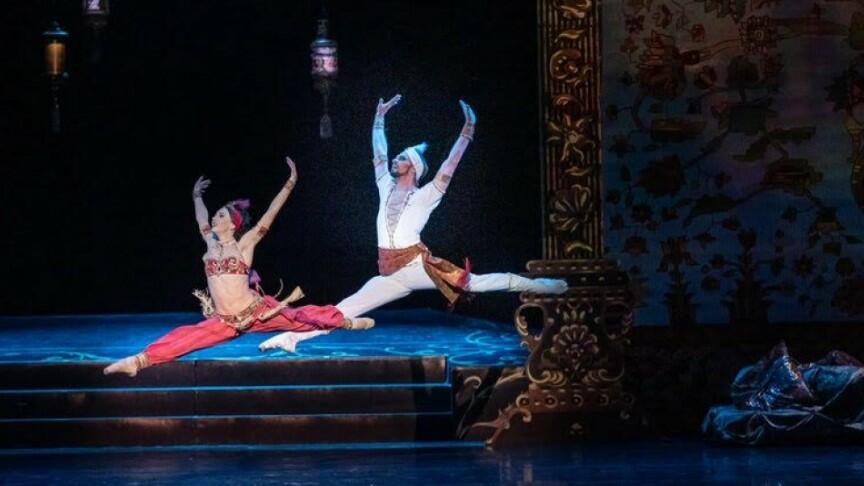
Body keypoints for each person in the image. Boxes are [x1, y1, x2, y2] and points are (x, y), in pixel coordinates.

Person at [259, 96, 567, 352]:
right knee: (344, 309)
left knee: (475, 283)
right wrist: (379, 119)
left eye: (402, 158)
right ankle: (293, 339)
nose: (395, 160)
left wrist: (467, 132)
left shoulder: (426, 195)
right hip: (389, 275)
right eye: (397, 157)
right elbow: (379, 152)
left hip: (417, 267)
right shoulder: (385, 186)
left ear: (414, 168)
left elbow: (449, 165)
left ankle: (543, 285)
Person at [104, 157, 373, 376]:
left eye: (220, 214)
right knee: (186, 336)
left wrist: (289, 185)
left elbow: (269, 215)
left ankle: (345, 322)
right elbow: (200, 218)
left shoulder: (244, 245)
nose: (214, 216)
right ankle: (137, 362)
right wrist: (196, 196)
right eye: (216, 213)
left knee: (301, 317)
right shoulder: (210, 242)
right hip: (225, 321)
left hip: (256, 313)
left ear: (232, 224)